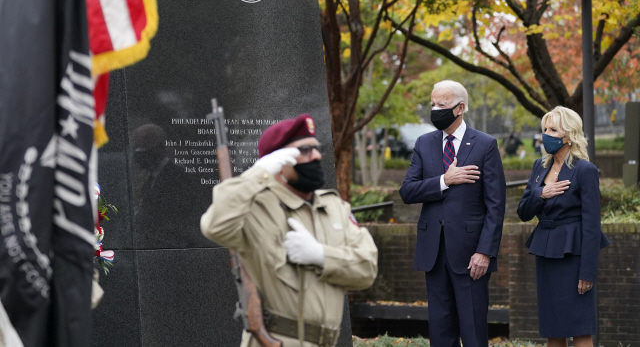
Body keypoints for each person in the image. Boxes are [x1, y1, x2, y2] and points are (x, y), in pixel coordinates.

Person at [200, 114, 378, 347]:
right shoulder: (256, 207)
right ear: (278, 161)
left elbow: (367, 269)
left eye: (317, 148)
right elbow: (215, 225)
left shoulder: (334, 207)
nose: (315, 156)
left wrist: (321, 256)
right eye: (304, 150)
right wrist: (258, 173)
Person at [399, 80, 506, 347]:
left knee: (472, 331)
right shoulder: (424, 144)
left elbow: (496, 205)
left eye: (441, 105)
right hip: (433, 253)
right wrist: (445, 180)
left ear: (460, 108)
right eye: (432, 104)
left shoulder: (485, 145)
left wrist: (485, 251)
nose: (435, 110)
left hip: (471, 255)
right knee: (440, 331)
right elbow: (407, 192)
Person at [517, 106, 610, 347]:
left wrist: (587, 272)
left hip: (574, 257)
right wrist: (542, 193)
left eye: (553, 129)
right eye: (545, 129)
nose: (546, 134)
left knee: (580, 330)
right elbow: (524, 212)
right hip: (546, 255)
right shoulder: (540, 167)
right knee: (553, 329)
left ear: (568, 135)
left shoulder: (585, 170)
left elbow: (591, 225)